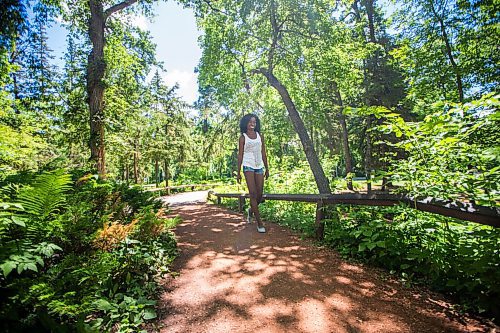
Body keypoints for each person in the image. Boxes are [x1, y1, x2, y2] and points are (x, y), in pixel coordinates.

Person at [236, 114, 269, 233]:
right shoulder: (243, 137)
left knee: (260, 195)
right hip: (248, 165)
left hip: (259, 166)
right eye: (250, 122)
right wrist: (238, 171)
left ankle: (251, 210)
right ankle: (259, 223)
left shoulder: (260, 136)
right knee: (253, 194)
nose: (252, 124)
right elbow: (240, 155)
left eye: (254, 122)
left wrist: (267, 168)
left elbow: (264, 152)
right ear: (246, 123)